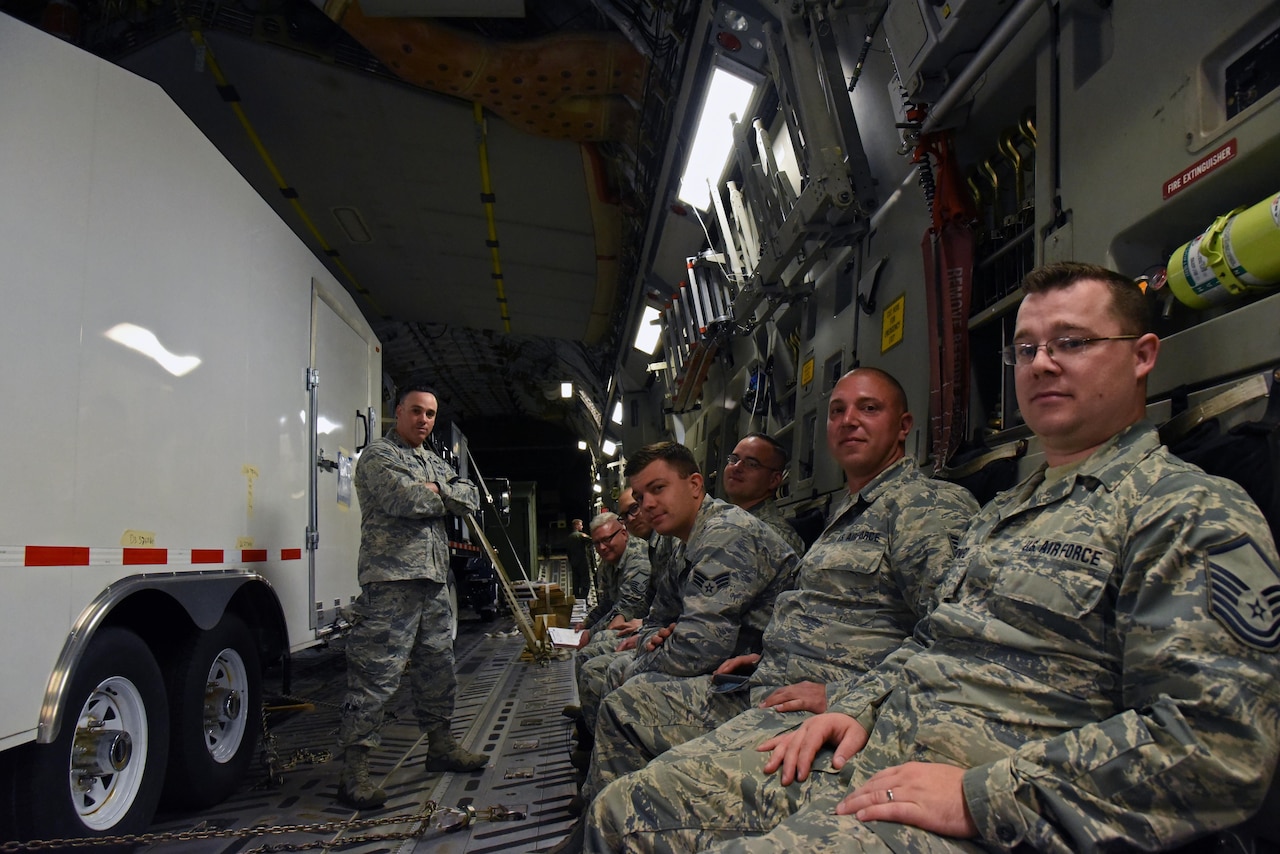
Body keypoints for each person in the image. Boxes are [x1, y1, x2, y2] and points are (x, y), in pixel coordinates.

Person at [588, 262, 1280, 853]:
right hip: (878, 744)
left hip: (991, 797)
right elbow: (928, 636)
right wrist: (854, 703)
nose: (1042, 362)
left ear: (1141, 355)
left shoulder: (1186, 510)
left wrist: (982, 796)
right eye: (1026, 348)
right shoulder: (1006, 513)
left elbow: (1216, 747)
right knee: (626, 813)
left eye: (1072, 342)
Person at [581, 369, 978, 806]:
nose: (848, 420)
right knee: (626, 708)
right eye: (836, 411)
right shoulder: (846, 514)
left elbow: (954, 639)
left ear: (903, 425)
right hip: (768, 679)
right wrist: (766, 654)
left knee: (627, 804)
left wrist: (847, 695)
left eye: (869, 408)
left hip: (822, 708)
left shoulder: (925, 506)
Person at [335, 383, 488, 811]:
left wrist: (441, 491)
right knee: (375, 677)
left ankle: (440, 747)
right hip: (391, 584)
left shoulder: (430, 461)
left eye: (431, 414)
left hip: (434, 583)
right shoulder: (379, 457)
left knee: (438, 668)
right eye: (417, 411)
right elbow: (405, 498)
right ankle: (354, 774)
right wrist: (441, 493)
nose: (424, 420)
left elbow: (471, 496)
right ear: (398, 412)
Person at [722, 432, 807, 556]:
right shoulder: (732, 521)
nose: (737, 467)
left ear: (774, 480)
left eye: (751, 464)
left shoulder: (770, 536)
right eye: (734, 459)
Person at [566, 518, 596, 601]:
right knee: (586, 581)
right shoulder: (580, 535)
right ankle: (583, 598)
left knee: (576, 581)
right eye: (581, 525)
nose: (582, 527)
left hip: (573, 562)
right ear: (576, 526)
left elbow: (568, 552)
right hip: (582, 562)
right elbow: (592, 541)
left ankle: (576, 598)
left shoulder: (569, 537)